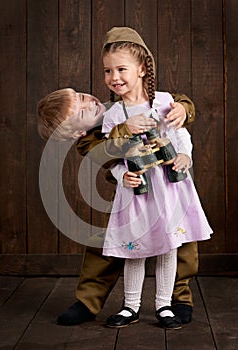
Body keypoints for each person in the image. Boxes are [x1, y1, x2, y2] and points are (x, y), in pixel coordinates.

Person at [37, 81, 198, 327]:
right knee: (106, 244)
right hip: (131, 190)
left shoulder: (121, 102)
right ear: (77, 131)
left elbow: (172, 101)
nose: (90, 102)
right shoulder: (87, 140)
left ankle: (180, 299)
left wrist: (184, 109)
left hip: (168, 183)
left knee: (180, 241)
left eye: (82, 96)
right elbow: (107, 158)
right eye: (81, 110)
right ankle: (89, 301)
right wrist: (123, 132)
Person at [96, 26, 213, 329]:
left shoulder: (163, 101)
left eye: (121, 68)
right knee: (134, 249)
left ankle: (163, 305)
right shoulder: (113, 115)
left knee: (167, 246)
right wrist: (123, 175)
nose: (114, 77)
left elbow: (180, 134)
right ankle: (130, 305)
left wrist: (185, 155)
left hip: (168, 188)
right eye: (108, 70)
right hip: (137, 191)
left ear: (142, 69)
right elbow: (111, 157)